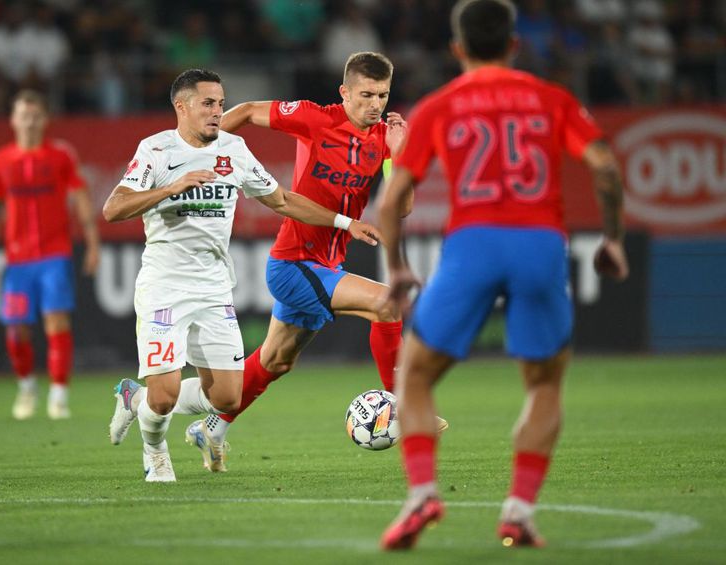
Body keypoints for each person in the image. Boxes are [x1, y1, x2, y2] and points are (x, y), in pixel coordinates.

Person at [108, 52, 447, 474]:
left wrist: (398, 154)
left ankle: (207, 426)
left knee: (275, 361)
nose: (374, 104)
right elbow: (249, 110)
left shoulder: (384, 138)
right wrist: (206, 151)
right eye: (365, 95)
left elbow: (403, 207)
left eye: (382, 95)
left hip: (327, 261)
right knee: (387, 304)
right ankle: (406, 406)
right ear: (344, 93)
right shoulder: (315, 118)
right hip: (294, 263)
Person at [377, 0, 629, 550]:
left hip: (473, 244)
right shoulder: (551, 99)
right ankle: (518, 511)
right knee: (543, 384)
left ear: (458, 49)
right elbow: (606, 166)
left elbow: (393, 195)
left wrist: (395, 267)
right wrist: (611, 237)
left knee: (415, 376)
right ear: (516, 45)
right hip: (541, 245)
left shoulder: (441, 105)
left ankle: (422, 496)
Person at [0, 89, 100, 420]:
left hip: (54, 255)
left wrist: (92, 243)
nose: (29, 121)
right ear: (13, 120)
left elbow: (80, 198)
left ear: (44, 120)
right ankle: (27, 387)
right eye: (23, 114)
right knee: (16, 329)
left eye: (35, 115)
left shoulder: (60, 157)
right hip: (18, 261)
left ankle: (59, 396)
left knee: (56, 321)